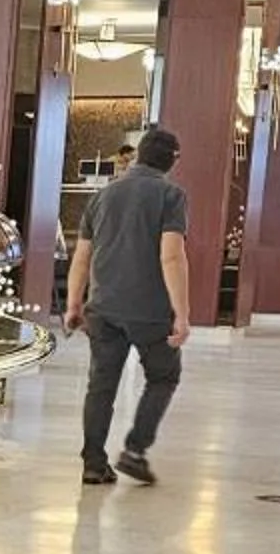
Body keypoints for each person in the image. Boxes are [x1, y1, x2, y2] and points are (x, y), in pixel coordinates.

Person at [64, 122, 190, 486]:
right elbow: (172, 256)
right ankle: (134, 451)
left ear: (137, 155)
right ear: (172, 160)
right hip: (150, 312)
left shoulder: (103, 196)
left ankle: (93, 463)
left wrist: (75, 303)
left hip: (102, 309)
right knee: (164, 376)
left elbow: (83, 256)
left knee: (100, 386)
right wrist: (181, 314)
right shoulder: (171, 196)